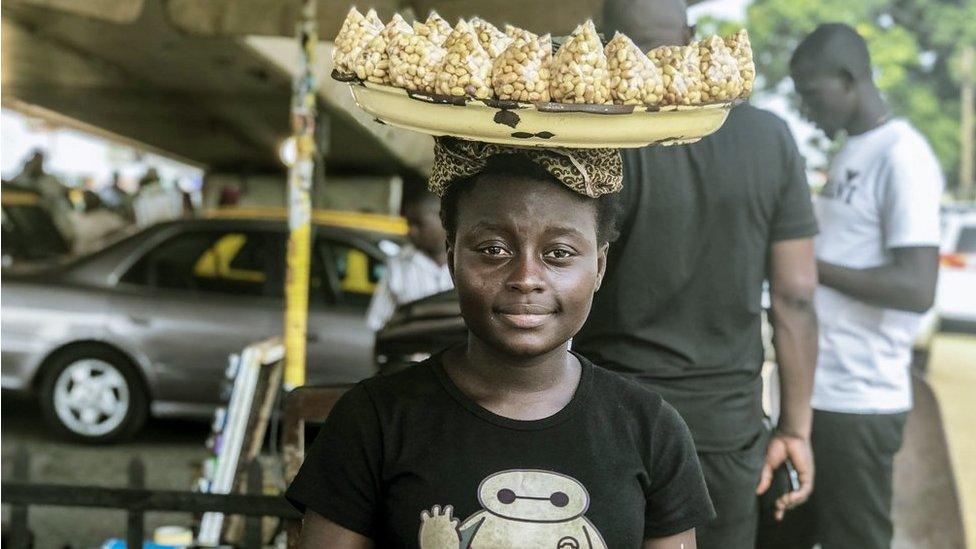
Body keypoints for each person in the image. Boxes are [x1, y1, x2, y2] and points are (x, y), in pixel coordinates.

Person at [287, 139, 716, 548]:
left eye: (559, 253)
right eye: (493, 249)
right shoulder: (374, 421)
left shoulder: (651, 430)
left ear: (599, 266)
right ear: (453, 258)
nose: (527, 277)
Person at [572, 1, 821, 547]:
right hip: (724, 433)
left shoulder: (593, 134)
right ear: (689, 35)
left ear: (607, 42)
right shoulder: (770, 137)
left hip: (606, 418)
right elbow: (796, 296)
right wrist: (795, 428)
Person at [774, 23, 943, 549]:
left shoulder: (902, 155)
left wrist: (807, 268)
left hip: (861, 401)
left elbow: (917, 286)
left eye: (812, 92)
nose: (805, 108)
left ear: (849, 80)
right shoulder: (853, 152)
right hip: (819, 395)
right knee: (787, 532)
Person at [365, 191, 454, 330]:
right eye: (409, 224)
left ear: (443, 219)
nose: (411, 231)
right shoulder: (398, 265)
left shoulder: (468, 261)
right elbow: (378, 322)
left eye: (419, 224)